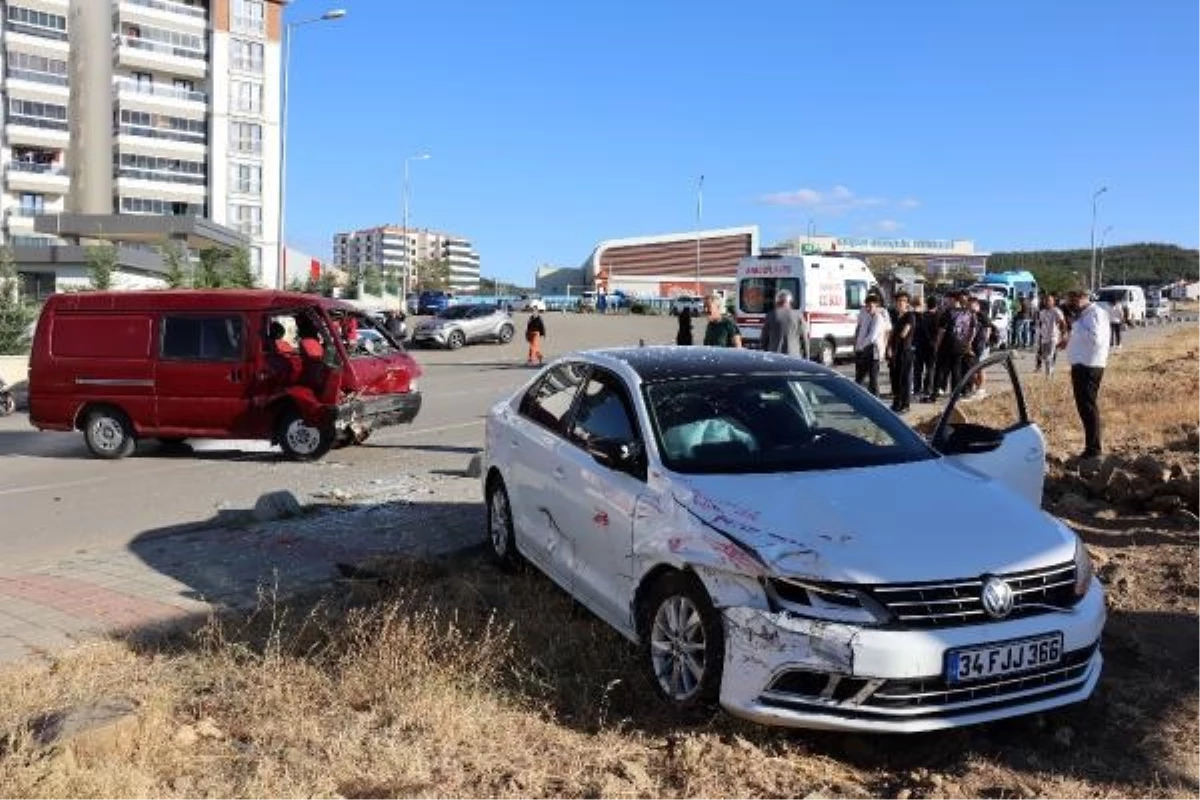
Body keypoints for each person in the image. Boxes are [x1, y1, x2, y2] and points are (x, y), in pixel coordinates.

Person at [1061, 290, 1111, 459]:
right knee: (1084, 407)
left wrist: (1075, 325)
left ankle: (1094, 449)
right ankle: (1090, 447)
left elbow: (1096, 339)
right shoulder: (1085, 315)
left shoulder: (1096, 313)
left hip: (1089, 365)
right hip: (1081, 364)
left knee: (1088, 407)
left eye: (1072, 300)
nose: (1070, 305)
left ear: (1082, 298)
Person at [886, 292, 916, 412]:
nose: (900, 303)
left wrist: (893, 342)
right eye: (898, 301)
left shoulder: (910, 316)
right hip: (895, 351)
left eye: (903, 301)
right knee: (895, 378)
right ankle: (896, 402)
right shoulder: (895, 316)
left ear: (907, 303)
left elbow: (904, 333)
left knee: (904, 379)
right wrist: (889, 347)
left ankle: (905, 404)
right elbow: (890, 333)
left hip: (905, 351)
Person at [853, 294, 886, 396]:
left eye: (871, 306)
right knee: (859, 377)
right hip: (863, 350)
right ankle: (856, 398)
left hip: (874, 351)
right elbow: (861, 332)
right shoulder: (866, 316)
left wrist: (861, 346)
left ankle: (876, 400)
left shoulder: (879, 318)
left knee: (873, 378)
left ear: (877, 306)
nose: (868, 308)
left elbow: (872, 337)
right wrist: (857, 346)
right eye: (867, 306)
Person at [761, 289, 808, 358]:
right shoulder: (798, 315)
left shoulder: (770, 315)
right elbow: (804, 339)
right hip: (794, 356)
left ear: (777, 302)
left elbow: (764, 339)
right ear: (790, 302)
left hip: (774, 356)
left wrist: (766, 351)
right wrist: (806, 356)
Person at [1035, 293, 1067, 376]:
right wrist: (1039, 336)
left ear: (1053, 302)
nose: (1047, 302)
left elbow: (1062, 322)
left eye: (1049, 300)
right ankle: (1051, 370)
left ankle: (1048, 375)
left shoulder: (1056, 311)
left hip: (1053, 337)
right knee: (1045, 357)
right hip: (1044, 337)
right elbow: (1041, 324)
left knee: (1049, 356)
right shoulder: (1042, 312)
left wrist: (1063, 335)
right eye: (1046, 300)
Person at [913, 296, 938, 400]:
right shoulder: (938, 317)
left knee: (918, 369)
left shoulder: (921, 316)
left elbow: (916, 331)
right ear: (936, 305)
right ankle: (928, 389)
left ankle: (917, 389)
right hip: (932, 346)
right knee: (930, 369)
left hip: (920, 346)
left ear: (927, 305)